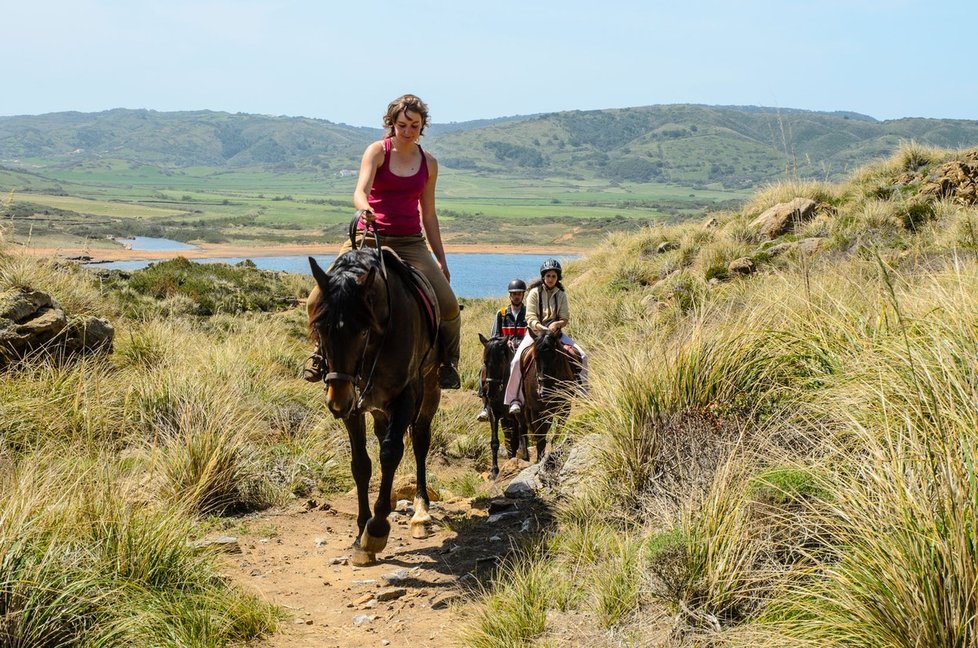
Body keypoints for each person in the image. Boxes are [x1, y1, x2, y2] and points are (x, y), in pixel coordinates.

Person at [304, 94, 462, 389]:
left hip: (411, 242)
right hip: (367, 237)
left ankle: (448, 363)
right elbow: (359, 191)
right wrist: (365, 207)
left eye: (415, 125)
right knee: (316, 299)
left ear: (423, 126)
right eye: (402, 125)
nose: (408, 131)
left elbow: (429, 214)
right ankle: (319, 353)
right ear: (392, 123)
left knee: (449, 305)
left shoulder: (429, 163)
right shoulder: (377, 151)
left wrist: (441, 258)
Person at [504, 259, 588, 415]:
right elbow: (530, 317)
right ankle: (514, 399)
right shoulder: (534, 293)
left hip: (555, 335)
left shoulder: (561, 294)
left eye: (554, 276)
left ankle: (583, 392)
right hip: (536, 335)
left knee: (582, 355)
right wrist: (541, 327)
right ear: (543, 277)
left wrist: (556, 325)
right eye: (548, 275)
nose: (551, 279)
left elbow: (565, 317)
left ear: (558, 278)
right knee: (516, 361)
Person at [476, 278, 528, 422]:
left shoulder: (528, 313)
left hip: (523, 349)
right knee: (484, 370)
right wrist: (506, 342)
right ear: (510, 295)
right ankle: (485, 404)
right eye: (514, 294)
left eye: (519, 293)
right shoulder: (502, 313)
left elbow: (530, 333)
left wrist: (520, 342)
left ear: (523, 295)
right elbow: (495, 336)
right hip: (504, 350)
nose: (516, 296)